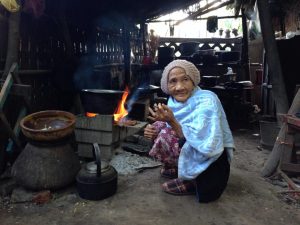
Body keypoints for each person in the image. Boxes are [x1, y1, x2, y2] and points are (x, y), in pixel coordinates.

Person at [144, 59, 235, 203]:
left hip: (211, 169)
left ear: (193, 81)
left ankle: (192, 181)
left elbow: (204, 143)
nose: (179, 87)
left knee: (165, 134)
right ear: (167, 86)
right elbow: (172, 124)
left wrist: (172, 121)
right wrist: (152, 128)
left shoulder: (206, 101)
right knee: (158, 129)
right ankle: (179, 167)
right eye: (173, 81)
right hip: (193, 148)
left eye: (185, 79)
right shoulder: (173, 102)